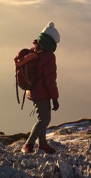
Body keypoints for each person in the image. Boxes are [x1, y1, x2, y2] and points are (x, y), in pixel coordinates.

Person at [21, 21, 60, 154]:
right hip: (41, 93)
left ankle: (42, 144)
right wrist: (55, 98)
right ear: (52, 42)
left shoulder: (36, 50)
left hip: (32, 91)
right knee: (44, 119)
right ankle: (28, 144)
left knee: (42, 117)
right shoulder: (48, 56)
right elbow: (50, 80)